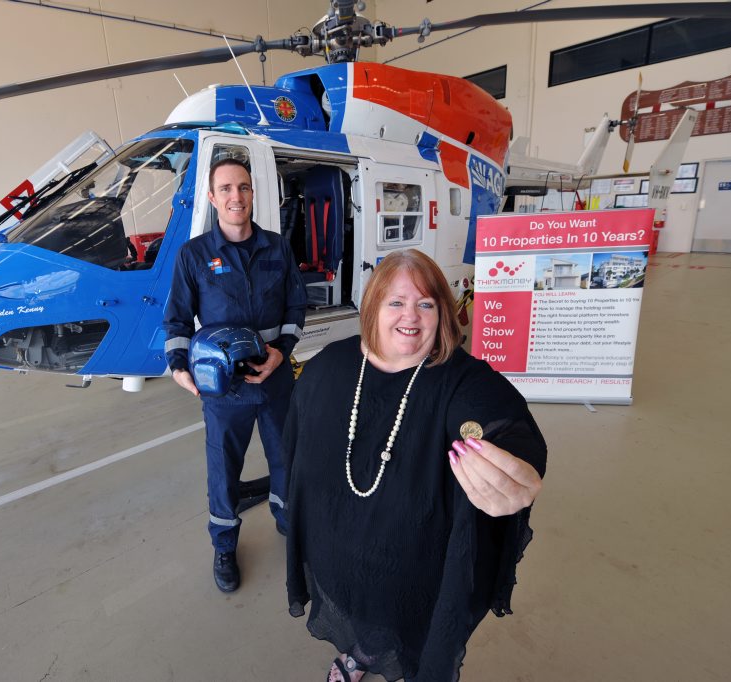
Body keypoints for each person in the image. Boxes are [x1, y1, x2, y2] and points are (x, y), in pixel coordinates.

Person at [284, 249, 546, 681]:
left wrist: (520, 469)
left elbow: (504, 426)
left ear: (443, 312)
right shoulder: (330, 364)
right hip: (340, 549)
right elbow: (296, 442)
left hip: (414, 562)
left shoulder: (459, 379)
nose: (412, 316)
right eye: (397, 303)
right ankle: (360, 655)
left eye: (426, 303)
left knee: (413, 637)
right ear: (373, 307)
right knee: (358, 617)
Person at [163, 157, 307, 593]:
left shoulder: (278, 248)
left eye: (242, 188)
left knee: (287, 456)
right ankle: (224, 544)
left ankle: (288, 521)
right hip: (224, 390)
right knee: (223, 469)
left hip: (276, 379)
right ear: (212, 197)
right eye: (225, 189)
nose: (235, 197)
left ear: (252, 193)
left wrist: (281, 354)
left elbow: (296, 309)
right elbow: (176, 322)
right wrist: (178, 366)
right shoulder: (194, 256)